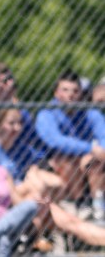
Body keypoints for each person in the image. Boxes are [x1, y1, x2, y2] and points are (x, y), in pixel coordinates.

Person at [34, 70, 105, 206]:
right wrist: (90, 148)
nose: (70, 95)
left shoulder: (89, 112)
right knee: (67, 159)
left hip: (86, 162)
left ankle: (98, 207)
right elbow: (56, 141)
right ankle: (76, 203)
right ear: (56, 93)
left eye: (75, 91)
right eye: (65, 90)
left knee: (96, 161)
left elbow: (103, 133)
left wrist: (100, 150)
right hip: (53, 164)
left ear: (80, 94)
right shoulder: (46, 113)